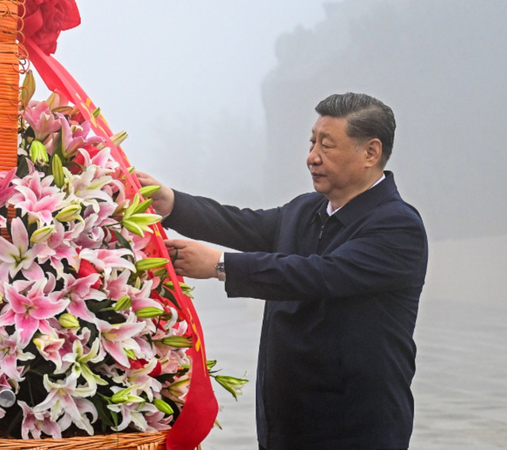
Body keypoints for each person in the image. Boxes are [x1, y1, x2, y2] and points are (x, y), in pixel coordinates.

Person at [136, 92, 428, 450]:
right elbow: (244, 225)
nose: (312, 157)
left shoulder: (397, 227)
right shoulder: (306, 209)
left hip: (354, 428)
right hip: (286, 425)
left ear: (370, 152)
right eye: (312, 142)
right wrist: (174, 203)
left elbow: (319, 275)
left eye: (327, 145)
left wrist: (220, 265)